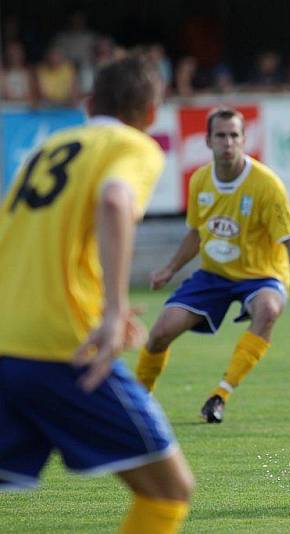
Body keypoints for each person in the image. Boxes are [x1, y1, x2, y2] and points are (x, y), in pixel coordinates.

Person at [0, 54, 194, 533]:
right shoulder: (134, 146)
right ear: (152, 112)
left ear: (88, 105)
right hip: (61, 346)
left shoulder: (46, 151)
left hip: (5, 341)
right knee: (170, 490)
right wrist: (112, 312)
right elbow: (114, 199)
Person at [135, 107, 290, 423]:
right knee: (161, 332)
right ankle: (136, 401)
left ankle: (220, 394)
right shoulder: (201, 180)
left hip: (262, 275)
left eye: (234, 135)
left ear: (245, 139)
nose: (228, 142)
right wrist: (170, 268)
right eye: (221, 135)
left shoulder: (266, 185)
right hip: (215, 273)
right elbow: (195, 233)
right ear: (207, 140)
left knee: (269, 310)